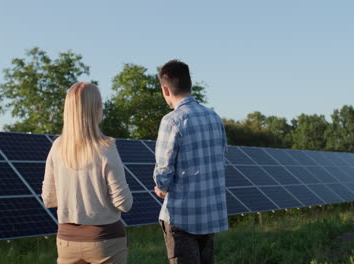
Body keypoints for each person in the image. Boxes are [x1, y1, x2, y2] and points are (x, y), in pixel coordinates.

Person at [42, 82, 133, 264]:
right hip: (106, 240)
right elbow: (124, 203)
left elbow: (48, 198)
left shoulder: (57, 147)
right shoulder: (106, 148)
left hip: (67, 241)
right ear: (96, 109)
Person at [153, 60, 228, 264]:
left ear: (165, 90)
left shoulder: (171, 120)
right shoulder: (214, 118)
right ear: (190, 84)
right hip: (209, 214)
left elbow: (163, 173)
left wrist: (161, 188)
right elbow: (221, 160)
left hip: (181, 217)